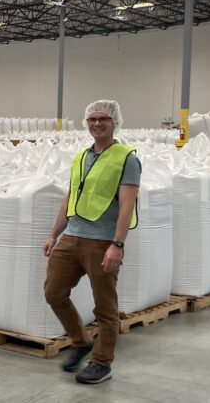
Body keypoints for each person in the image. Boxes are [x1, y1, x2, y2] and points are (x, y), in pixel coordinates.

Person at [41, 100, 140, 385]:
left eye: (103, 119)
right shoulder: (81, 157)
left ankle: (101, 362)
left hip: (101, 243)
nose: (97, 123)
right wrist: (54, 233)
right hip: (72, 237)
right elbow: (70, 197)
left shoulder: (126, 158)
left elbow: (127, 205)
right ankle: (80, 341)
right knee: (53, 293)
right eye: (92, 119)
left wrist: (117, 245)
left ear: (114, 122)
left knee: (105, 308)